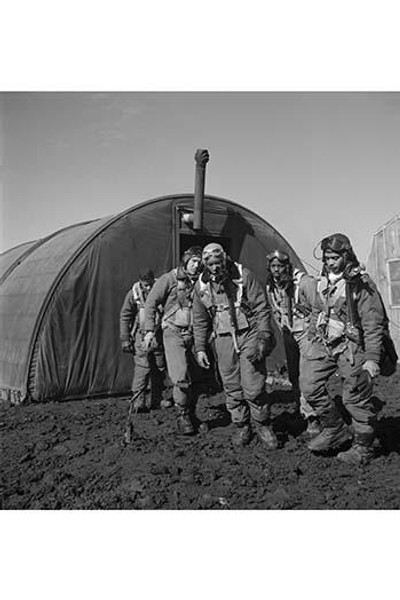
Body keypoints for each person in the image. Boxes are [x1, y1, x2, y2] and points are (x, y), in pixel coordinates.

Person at [300, 233, 386, 465]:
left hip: (352, 348)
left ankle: (363, 448)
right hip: (325, 343)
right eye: (327, 258)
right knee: (308, 385)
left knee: (354, 398)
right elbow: (317, 309)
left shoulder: (360, 283)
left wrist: (372, 359)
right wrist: (311, 335)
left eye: (335, 257)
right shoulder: (324, 280)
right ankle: (334, 428)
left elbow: (372, 323)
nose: (330, 262)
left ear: (346, 256)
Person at [193, 243, 278, 449]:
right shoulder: (202, 286)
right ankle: (241, 424)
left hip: (248, 334)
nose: (214, 268)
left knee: (253, 383)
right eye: (210, 264)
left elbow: (261, 307)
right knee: (231, 383)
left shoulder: (243, 276)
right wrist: (201, 347)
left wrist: (264, 336)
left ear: (224, 260)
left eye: (217, 263)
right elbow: (200, 319)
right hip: (222, 338)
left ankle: (262, 424)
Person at [144, 247, 203, 436]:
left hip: (194, 334)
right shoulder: (168, 279)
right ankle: (182, 415)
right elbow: (151, 303)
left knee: (198, 377)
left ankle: (192, 414)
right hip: (173, 332)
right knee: (180, 376)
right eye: (194, 261)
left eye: (199, 261)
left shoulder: (202, 281)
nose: (198, 264)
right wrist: (148, 331)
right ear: (185, 261)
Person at [265, 250, 320, 439]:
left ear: (287, 266)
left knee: (307, 375)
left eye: (280, 267)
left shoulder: (304, 283)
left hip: (305, 334)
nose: (276, 271)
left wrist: (312, 331)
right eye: (273, 267)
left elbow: (318, 308)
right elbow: (275, 309)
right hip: (289, 333)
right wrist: (282, 327)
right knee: (294, 374)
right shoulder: (271, 286)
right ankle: (301, 411)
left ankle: (313, 417)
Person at [120, 270, 169, 418]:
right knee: (142, 368)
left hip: (158, 335)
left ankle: (157, 399)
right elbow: (125, 315)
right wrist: (125, 338)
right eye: (144, 285)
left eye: (149, 284)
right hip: (141, 336)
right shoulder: (133, 295)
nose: (147, 288)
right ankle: (138, 401)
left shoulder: (160, 290)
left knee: (159, 368)